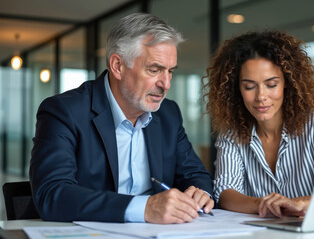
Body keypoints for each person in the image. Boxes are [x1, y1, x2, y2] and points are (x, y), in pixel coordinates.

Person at [30, 13, 214, 224]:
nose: (166, 84)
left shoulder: (168, 113)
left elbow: (196, 175)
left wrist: (200, 192)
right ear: (117, 66)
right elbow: (52, 195)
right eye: (154, 70)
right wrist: (144, 208)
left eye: (170, 71)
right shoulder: (63, 111)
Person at [203, 31, 314, 218]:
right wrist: (264, 204)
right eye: (249, 86)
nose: (261, 96)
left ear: (287, 82)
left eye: (271, 84)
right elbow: (225, 193)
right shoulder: (232, 133)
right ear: (237, 89)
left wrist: (299, 203)